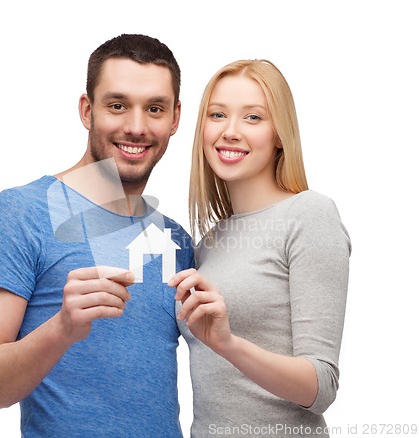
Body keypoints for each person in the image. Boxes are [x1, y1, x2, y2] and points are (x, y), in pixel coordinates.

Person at [0, 34, 193, 437]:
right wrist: (61, 328)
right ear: (87, 110)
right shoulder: (20, 214)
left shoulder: (177, 240)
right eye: (117, 106)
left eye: (154, 109)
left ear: (175, 118)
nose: (136, 127)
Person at [169, 60, 351, 437]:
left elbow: (321, 386)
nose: (230, 131)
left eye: (253, 117)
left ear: (280, 134)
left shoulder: (309, 215)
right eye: (217, 115)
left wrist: (229, 344)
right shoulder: (207, 246)